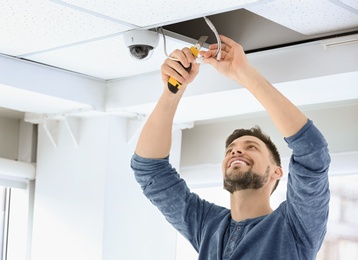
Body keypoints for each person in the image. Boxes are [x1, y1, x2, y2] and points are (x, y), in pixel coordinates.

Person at [131, 35, 330, 259]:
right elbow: (149, 169)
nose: (235, 151)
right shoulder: (208, 226)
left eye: (251, 147)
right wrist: (172, 90)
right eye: (230, 150)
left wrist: (242, 72)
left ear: (277, 172)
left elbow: (312, 150)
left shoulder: (295, 227)